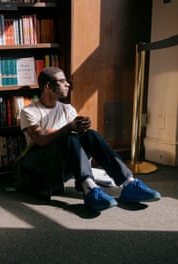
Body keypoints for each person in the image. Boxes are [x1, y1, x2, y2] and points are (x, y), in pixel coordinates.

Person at [16, 66, 161, 211]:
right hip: (40, 168)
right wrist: (68, 128)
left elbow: (75, 140)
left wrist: (81, 128)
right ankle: (90, 190)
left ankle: (128, 183)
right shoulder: (29, 111)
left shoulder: (67, 109)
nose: (68, 84)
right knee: (67, 136)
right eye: (62, 81)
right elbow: (41, 140)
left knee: (90, 134)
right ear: (48, 86)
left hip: (62, 167)